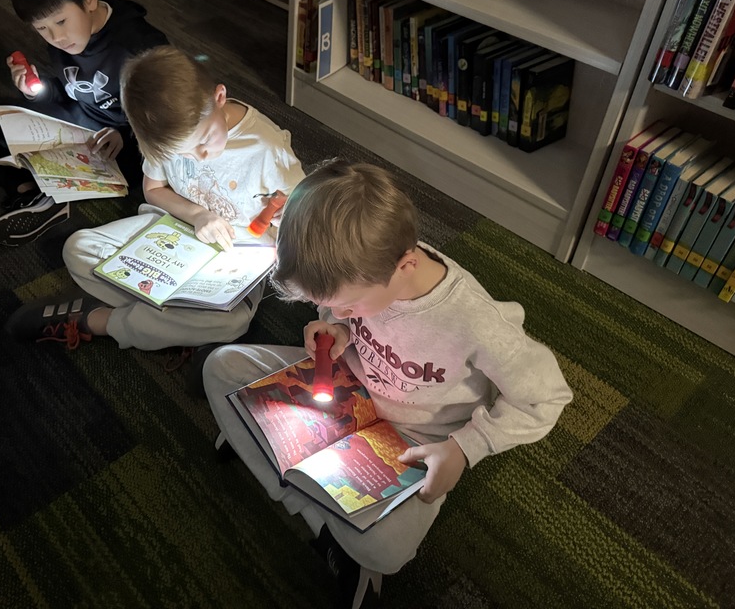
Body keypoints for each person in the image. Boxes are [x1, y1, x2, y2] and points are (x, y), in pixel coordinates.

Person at [201, 160, 573, 609]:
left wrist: (464, 448)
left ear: (406, 266)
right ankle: (326, 516)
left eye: (349, 304)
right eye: (327, 302)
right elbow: (338, 310)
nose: (341, 309)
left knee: (387, 551)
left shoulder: (475, 322)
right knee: (220, 369)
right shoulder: (364, 268)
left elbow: (548, 397)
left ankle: (292, 484)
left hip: (415, 438)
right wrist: (335, 325)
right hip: (345, 385)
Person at [5, 46, 306, 380]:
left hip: (238, 255)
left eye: (205, 140)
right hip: (174, 229)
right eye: (184, 153)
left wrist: (284, 224)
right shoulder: (162, 134)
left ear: (219, 97)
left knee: (231, 320)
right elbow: (155, 189)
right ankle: (178, 329)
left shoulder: (267, 149)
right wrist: (197, 215)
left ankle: (100, 321)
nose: (200, 156)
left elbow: (301, 222)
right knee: (77, 248)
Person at [0, 0, 168, 247]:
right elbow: (70, 93)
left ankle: (38, 185)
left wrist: (126, 135)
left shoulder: (138, 45)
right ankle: (33, 193)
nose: (57, 37)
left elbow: (167, 115)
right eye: (42, 28)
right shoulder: (66, 38)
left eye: (61, 22)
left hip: (131, 137)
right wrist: (34, 92)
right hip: (84, 120)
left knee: (152, 172)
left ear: (89, 0)